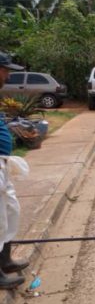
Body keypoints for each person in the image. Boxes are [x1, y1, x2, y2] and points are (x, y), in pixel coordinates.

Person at [0, 52, 29, 290]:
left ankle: (5, 260)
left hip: (3, 163)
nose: (8, 74)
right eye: (5, 70)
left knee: (10, 211)